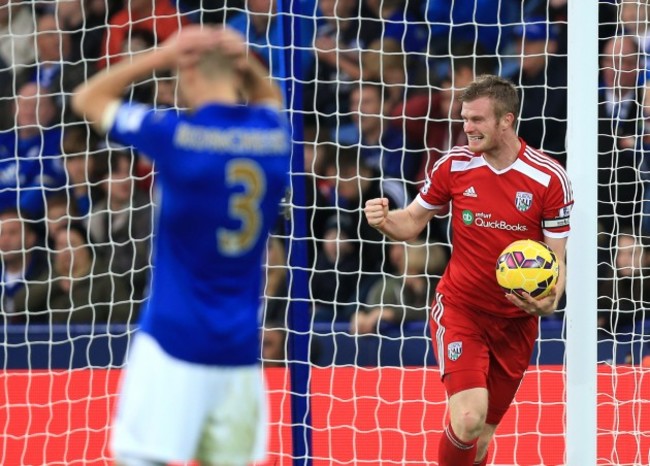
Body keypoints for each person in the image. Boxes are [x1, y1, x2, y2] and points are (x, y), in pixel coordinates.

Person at [71, 25, 291, 466]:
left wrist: (162, 55)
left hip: (172, 342)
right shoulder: (274, 137)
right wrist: (246, 62)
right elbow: (271, 101)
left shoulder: (175, 135)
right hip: (239, 353)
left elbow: (86, 99)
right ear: (237, 74)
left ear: (187, 76)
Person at [363, 75, 573, 466]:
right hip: (462, 309)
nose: (467, 128)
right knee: (469, 417)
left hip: (517, 322)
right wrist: (383, 220)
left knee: (478, 441)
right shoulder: (455, 164)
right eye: (464, 119)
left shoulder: (549, 178)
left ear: (506, 121)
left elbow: (556, 257)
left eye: (477, 120)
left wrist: (550, 301)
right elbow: (411, 223)